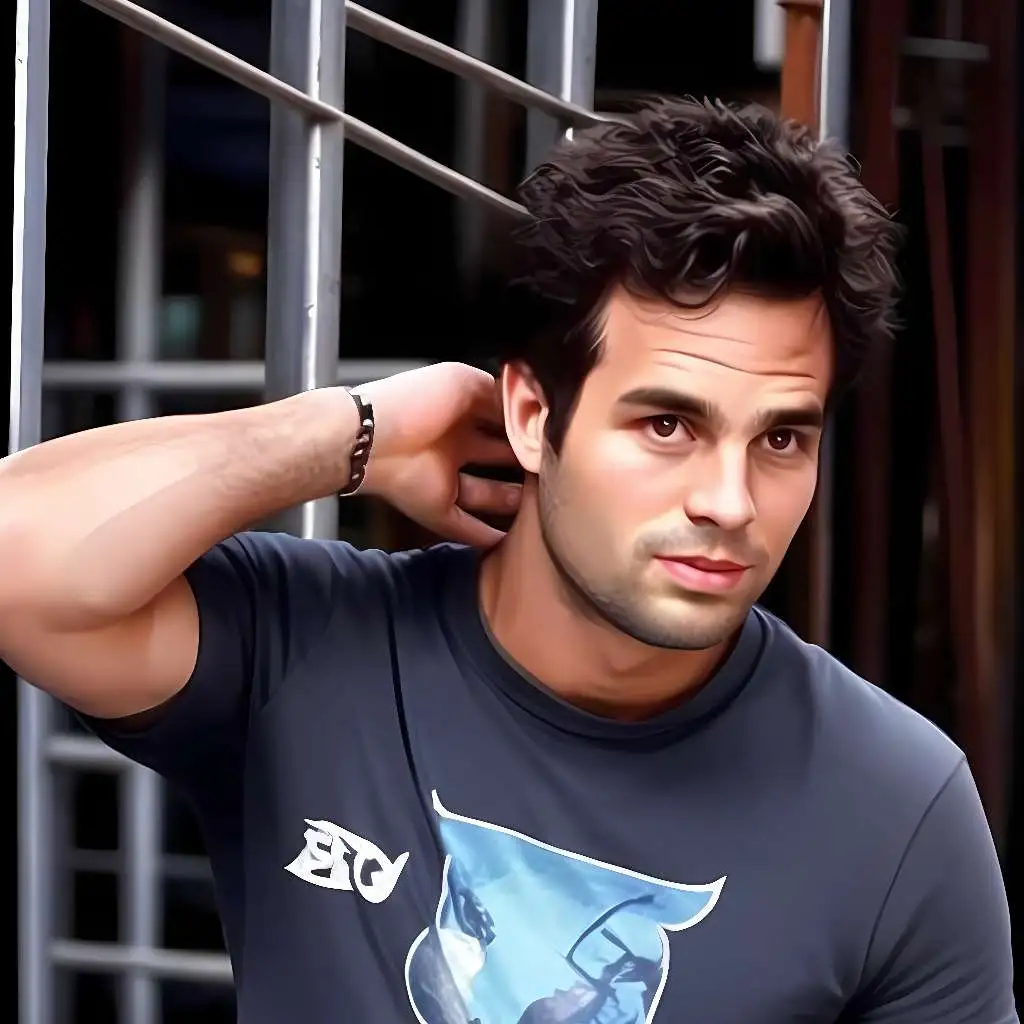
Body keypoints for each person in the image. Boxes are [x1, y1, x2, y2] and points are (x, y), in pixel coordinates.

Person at [0, 98, 1014, 1023]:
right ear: (530, 414)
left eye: (781, 438)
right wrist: (349, 432)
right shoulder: (311, 649)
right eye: (667, 425)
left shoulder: (894, 805)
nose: (729, 501)